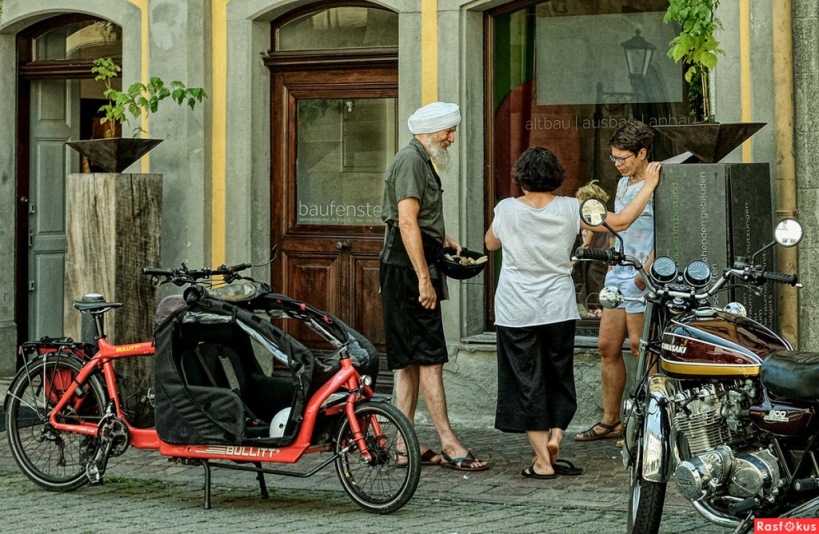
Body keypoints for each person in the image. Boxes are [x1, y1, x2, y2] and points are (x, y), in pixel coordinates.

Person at [485, 146, 659, 479]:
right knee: (558, 376)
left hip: (516, 309)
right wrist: (648, 186)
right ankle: (556, 436)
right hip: (558, 308)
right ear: (556, 177)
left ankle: (542, 461)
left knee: (526, 381)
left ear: (521, 178)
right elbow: (620, 222)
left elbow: (491, 243)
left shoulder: (506, 209)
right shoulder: (570, 208)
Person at [380, 102, 489, 472]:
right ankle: (449, 442)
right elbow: (407, 223)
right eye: (448, 132)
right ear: (430, 132)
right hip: (409, 269)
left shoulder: (418, 159)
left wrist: (443, 238)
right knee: (430, 358)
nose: (452, 138)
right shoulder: (411, 161)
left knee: (410, 361)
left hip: (409, 263)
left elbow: (417, 221)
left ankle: (399, 443)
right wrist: (424, 278)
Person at [575, 120, 658, 442]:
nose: (617, 164)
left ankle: (652, 423)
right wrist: (611, 259)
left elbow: (667, 228)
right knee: (607, 345)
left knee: (640, 347)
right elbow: (616, 228)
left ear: (642, 153)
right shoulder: (623, 184)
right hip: (619, 271)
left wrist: (646, 271)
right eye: (613, 158)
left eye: (623, 158)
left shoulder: (655, 181)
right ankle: (612, 420)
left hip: (641, 273)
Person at [573, 180, 611, 318]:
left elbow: (587, 243)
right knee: (588, 287)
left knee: (594, 284)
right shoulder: (600, 218)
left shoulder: (592, 221)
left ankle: (597, 310)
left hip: (596, 258)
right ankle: (594, 308)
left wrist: (573, 261)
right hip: (598, 257)